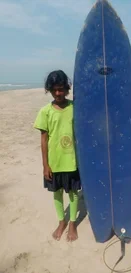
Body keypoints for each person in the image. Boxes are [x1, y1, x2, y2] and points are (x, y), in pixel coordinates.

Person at [34, 70, 81, 242]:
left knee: (73, 192)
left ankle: (73, 223)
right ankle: (62, 222)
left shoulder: (75, 108)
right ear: (49, 90)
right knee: (57, 193)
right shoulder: (45, 111)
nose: (58, 93)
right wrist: (45, 165)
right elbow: (44, 140)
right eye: (54, 90)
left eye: (61, 89)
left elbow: (97, 115)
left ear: (67, 89)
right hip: (55, 162)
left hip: (72, 161)